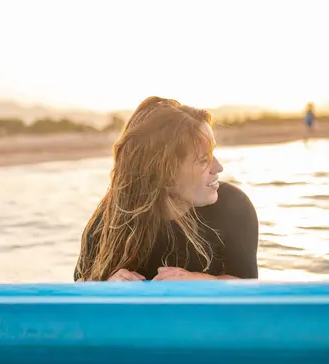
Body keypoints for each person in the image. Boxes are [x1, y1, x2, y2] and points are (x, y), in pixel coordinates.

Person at [74, 96, 259, 282]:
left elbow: (250, 288)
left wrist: (201, 282)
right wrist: (106, 286)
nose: (218, 167)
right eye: (204, 160)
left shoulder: (233, 207)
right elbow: (79, 287)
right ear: (165, 172)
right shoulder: (112, 220)